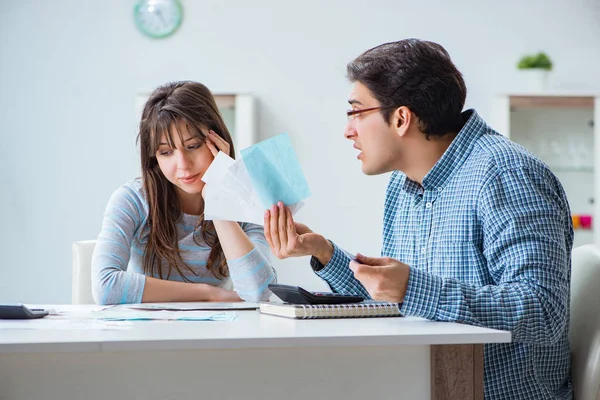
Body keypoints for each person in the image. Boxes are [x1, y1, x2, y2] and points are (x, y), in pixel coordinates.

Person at [264, 39, 572, 400]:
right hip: (421, 384)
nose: (348, 130)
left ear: (400, 118)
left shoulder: (506, 174)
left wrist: (412, 288)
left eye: (356, 113)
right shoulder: (404, 184)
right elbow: (396, 299)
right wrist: (326, 253)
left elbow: (544, 309)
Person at [92, 81, 276, 305]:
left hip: (218, 335)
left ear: (218, 141)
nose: (183, 165)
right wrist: (208, 294)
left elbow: (259, 294)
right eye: (166, 152)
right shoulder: (133, 199)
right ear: (154, 158)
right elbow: (106, 287)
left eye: (193, 146)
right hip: (146, 335)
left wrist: (217, 198)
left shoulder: (247, 200)